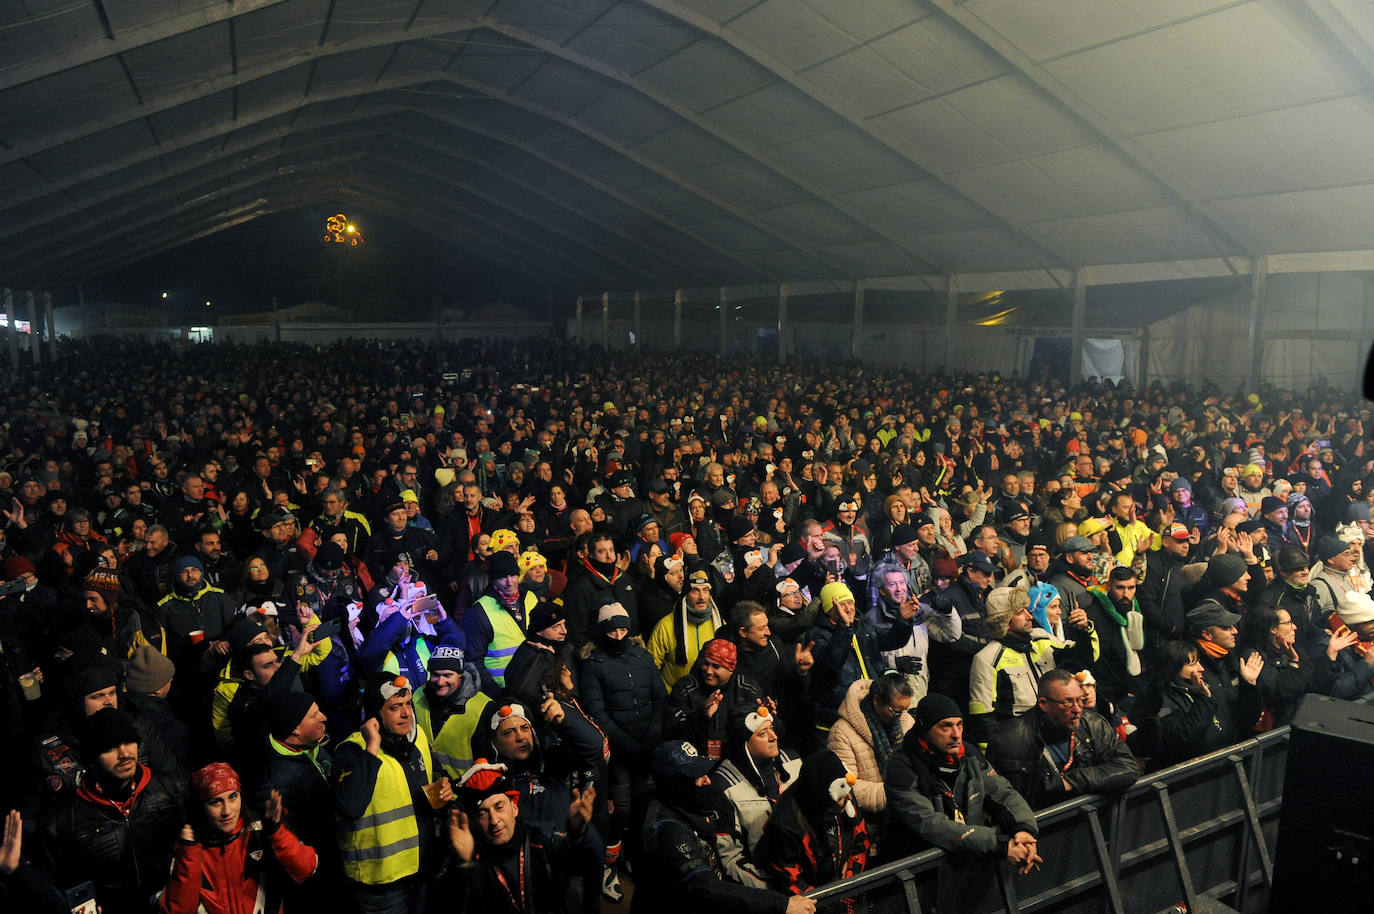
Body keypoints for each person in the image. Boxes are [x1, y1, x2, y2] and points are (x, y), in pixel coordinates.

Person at [882, 694, 1041, 911]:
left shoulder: (968, 754)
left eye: (959, 725)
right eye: (945, 727)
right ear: (924, 729)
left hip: (963, 869)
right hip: (916, 878)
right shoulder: (901, 766)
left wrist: (1024, 830)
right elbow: (930, 824)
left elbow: (1003, 793)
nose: (956, 735)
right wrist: (998, 845)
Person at [632, 740, 815, 914]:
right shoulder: (669, 832)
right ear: (677, 784)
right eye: (698, 777)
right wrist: (781, 905)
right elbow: (704, 888)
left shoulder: (684, 802)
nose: (707, 781)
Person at [40, 707, 183, 912]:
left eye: (129, 742)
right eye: (110, 747)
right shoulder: (62, 823)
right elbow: (58, 889)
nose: (125, 753)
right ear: (92, 758)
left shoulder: (173, 790)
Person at [332, 672, 451, 913]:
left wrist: (444, 787)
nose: (407, 713)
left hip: (422, 870)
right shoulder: (351, 751)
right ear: (375, 715)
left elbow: (433, 775)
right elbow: (350, 806)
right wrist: (372, 747)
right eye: (396, 707)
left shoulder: (417, 739)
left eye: (408, 704)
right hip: (382, 885)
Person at [442, 760, 601, 914]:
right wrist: (464, 865)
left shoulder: (541, 839)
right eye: (483, 813)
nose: (494, 820)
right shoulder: (472, 855)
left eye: (499, 807)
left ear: (514, 807)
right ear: (474, 821)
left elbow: (586, 863)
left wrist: (580, 833)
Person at [158, 762, 318, 914]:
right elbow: (177, 911)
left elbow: (307, 868)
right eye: (216, 802)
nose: (227, 810)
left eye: (233, 797)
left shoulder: (261, 830)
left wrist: (277, 833)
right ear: (200, 806)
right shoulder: (187, 848)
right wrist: (188, 854)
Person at [984, 669, 1137, 810]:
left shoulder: (1094, 724)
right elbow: (1003, 800)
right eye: (1068, 702)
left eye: (1080, 700)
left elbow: (1128, 767)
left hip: (1088, 817)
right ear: (1044, 704)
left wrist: (1073, 781)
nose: (1077, 709)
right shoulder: (1010, 739)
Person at [751, 749, 869, 895]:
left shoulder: (843, 792)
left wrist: (852, 872)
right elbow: (789, 877)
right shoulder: (785, 824)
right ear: (823, 801)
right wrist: (823, 900)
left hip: (841, 885)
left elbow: (860, 839)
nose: (849, 799)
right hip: (811, 897)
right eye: (841, 798)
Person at [967, 587, 1059, 747]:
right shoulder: (986, 659)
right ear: (1005, 621)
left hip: (1054, 735)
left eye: (1027, 610)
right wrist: (993, 759)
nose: (1029, 616)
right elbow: (983, 717)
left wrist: (1084, 631)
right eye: (1020, 612)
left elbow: (1078, 656)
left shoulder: (1041, 638)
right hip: (1019, 746)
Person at [713, 706, 802, 866]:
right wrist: (769, 889)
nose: (773, 737)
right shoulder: (724, 785)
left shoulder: (794, 762)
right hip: (764, 878)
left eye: (772, 729)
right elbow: (731, 859)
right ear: (743, 743)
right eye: (762, 733)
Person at [826, 673, 913, 825]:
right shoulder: (841, 732)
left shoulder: (906, 720)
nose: (900, 717)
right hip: (870, 823)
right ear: (877, 700)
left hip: (908, 813)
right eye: (895, 711)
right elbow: (847, 787)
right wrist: (900, 792)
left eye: (904, 710)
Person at [412, 644, 491, 778]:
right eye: (435, 675)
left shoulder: (483, 707)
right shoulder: (417, 697)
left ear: (460, 674)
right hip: (428, 789)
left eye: (447, 675)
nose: (441, 682)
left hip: (466, 792)